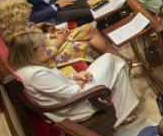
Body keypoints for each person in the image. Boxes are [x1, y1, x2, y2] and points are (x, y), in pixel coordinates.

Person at [8, 30, 139, 127]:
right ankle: (119, 116)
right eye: (43, 46)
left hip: (74, 90)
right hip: (76, 105)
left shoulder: (28, 66)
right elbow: (71, 94)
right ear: (31, 51)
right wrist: (82, 80)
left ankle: (120, 114)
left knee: (115, 65)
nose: (46, 48)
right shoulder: (35, 75)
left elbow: (56, 81)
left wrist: (76, 76)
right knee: (112, 61)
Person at [0, 0, 115, 65]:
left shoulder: (19, 27)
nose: (30, 6)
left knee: (89, 29)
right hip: (51, 60)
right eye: (25, 6)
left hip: (50, 45)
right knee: (90, 34)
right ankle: (116, 59)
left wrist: (52, 36)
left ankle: (113, 59)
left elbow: (39, 40)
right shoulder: (21, 37)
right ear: (16, 14)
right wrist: (60, 40)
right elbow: (41, 59)